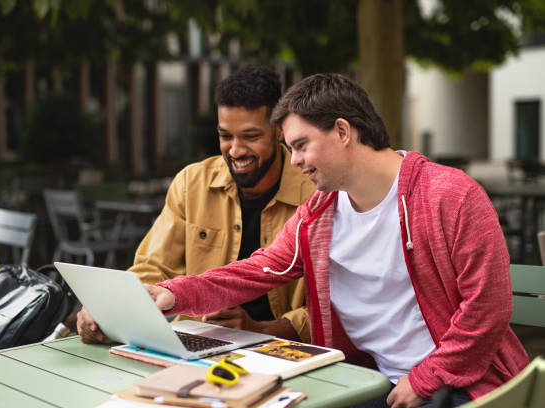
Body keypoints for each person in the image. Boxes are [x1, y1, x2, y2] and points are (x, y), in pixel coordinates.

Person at [146, 73, 529, 408]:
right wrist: (173, 293)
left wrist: (425, 378)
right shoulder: (319, 213)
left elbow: (487, 308)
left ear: (343, 132)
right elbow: (256, 270)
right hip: (368, 379)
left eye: (300, 145)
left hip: (461, 384)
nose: (293, 160)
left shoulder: (451, 195)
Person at [77, 66, 315, 344]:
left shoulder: (315, 192)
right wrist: (110, 310)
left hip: (282, 351)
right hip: (189, 344)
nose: (236, 150)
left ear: (279, 131)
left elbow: (332, 305)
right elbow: (152, 268)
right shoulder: (192, 183)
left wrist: (262, 330)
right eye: (226, 136)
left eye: (250, 137)